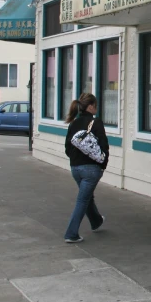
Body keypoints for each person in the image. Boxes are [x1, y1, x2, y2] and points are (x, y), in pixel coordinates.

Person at [64, 93, 109, 243]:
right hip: (91, 169)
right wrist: (102, 165)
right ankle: (71, 233)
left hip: (75, 169)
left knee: (86, 196)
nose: (97, 108)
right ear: (90, 106)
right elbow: (104, 146)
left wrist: (75, 160)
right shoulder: (97, 123)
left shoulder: (73, 124)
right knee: (82, 200)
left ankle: (96, 221)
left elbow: (67, 148)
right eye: (95, 105)